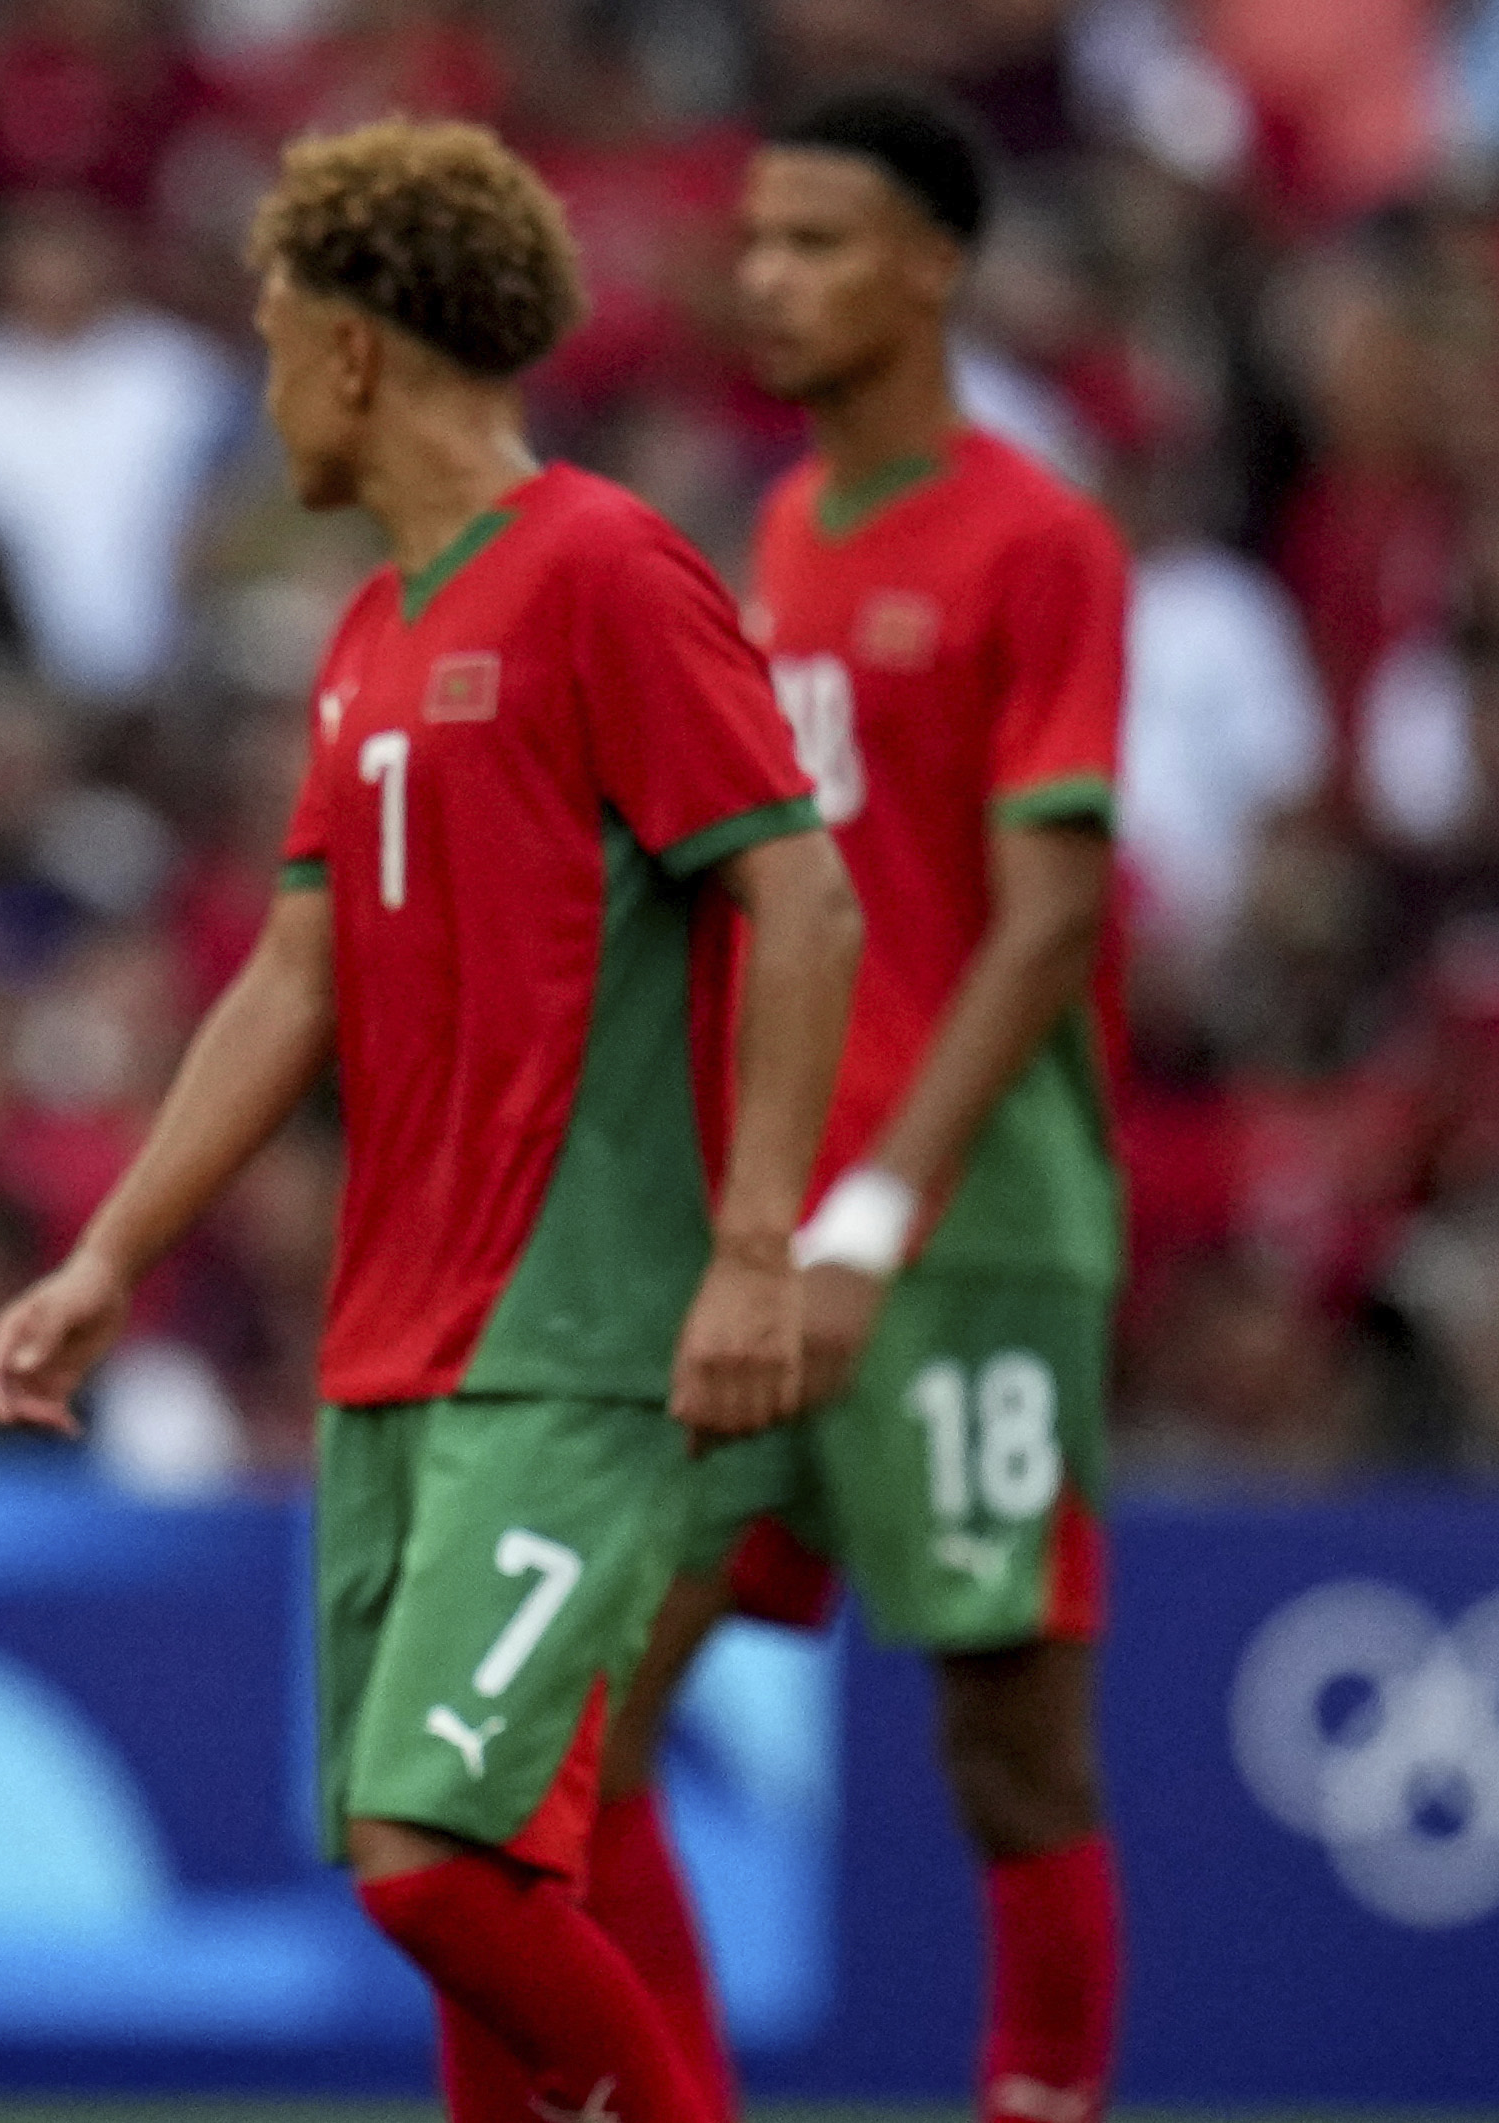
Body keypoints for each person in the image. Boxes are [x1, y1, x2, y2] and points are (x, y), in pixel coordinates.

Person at [0, 119, 862, 2123]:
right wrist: (112, 1255)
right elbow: (294, 977)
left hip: (573, 1330)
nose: (262, 383)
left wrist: (752, 1251)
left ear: (354, 352)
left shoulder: (607, 571)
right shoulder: (375, 634)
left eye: (275, 337)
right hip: (398, 1342)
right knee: (482, 1870)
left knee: (433, 1858)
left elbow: (799, 896)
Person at [577, 85, 1131, 2123]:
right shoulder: (791, 530)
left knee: (1012, 1752)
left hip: (967, 1236)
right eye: (757, 243)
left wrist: (875, 1221)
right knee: (598, 1713)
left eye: (820, 243)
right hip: (771, 1232)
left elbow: (1048, 919)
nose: (771, 281)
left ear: (939, 268)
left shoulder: (1041, 539)